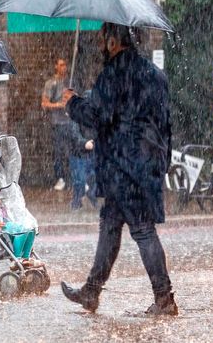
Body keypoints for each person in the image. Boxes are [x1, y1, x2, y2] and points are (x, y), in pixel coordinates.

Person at [60, 23, 177, 315]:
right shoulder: (154, 75)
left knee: (142, 229)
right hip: (146, 163)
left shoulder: (113, 74)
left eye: (102, 38)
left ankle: (164, 298)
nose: (100, 43)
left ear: (113, 41)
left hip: (124, 166)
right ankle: (91, 291)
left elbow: (98, 116)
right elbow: (165, 123)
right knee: (110, 227)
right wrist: (163, 160)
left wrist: (72, 104)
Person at [42, 58, 69, 191]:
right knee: (58, 151)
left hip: (70, 122)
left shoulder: (70, 82)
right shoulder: (51, 83)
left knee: (71, 150)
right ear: (56, 67)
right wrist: (58, 105)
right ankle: (60, 178)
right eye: (61, 65)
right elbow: (45, 103)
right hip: (57, 123)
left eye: (65, 65)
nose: (63, 67)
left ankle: (74, 178)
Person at [64, 118, 97, 211]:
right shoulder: (75, 119)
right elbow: (74, 134)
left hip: (91, 153)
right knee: (79, 180)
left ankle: (90, 195)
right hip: (78, 154)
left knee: (93, 176)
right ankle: (77, 201)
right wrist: (84, 143)